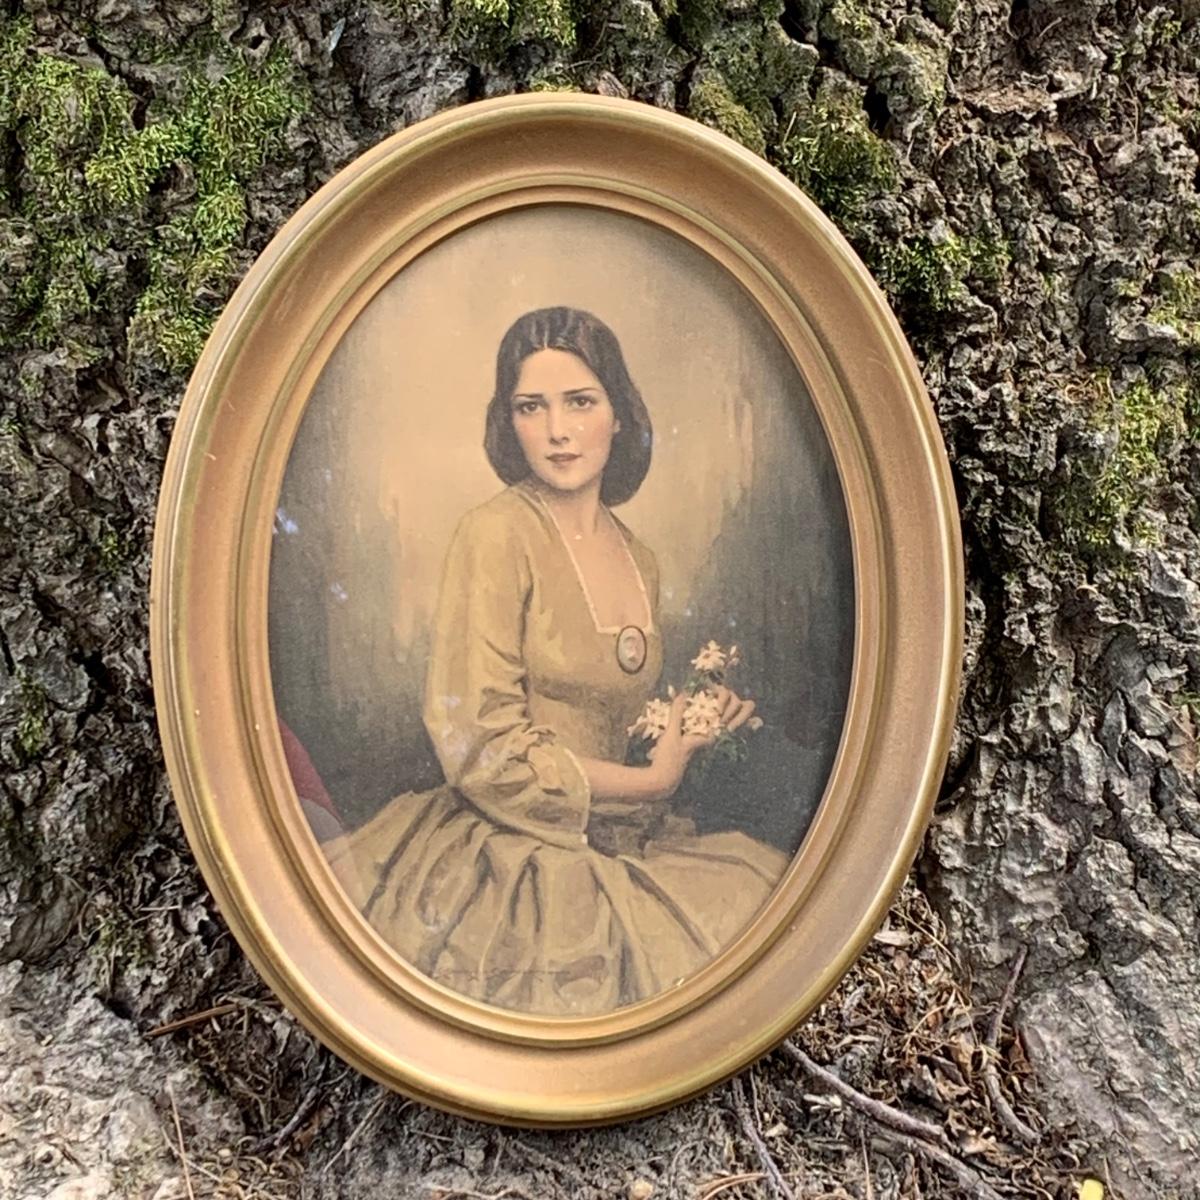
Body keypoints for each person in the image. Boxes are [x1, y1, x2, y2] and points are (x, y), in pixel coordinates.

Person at [324, 307, 787, 1016]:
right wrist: (652, 779)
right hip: (512, 854)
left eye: (580, 402)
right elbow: (479, 744)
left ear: (619, 414)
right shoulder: (493, 535)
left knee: (755, 897)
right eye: (530, 407)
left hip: (625, 838)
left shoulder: (640, 558)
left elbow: (610, 713)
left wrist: (691, 722)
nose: (557, 431)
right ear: (508, 423)